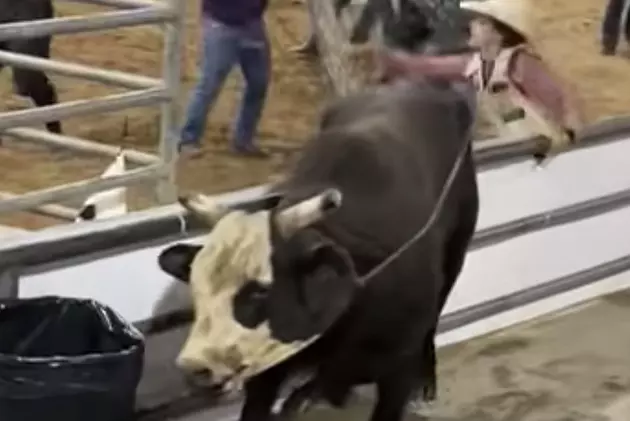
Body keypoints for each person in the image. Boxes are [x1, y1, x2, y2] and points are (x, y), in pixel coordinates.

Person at [378, 0, 584, 162]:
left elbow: (561, 100)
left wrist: (570, 137)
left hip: (542, 150)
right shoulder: (477, 64)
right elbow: (431, 66)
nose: (471, 26)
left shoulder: (520, 63)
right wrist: (392, 62)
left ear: (499, 34)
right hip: (515, 148)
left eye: (482, 22)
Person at [178, 0, 270, 158]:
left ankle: (243, 140)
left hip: (251, 23)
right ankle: (188, 140)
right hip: (221, 23)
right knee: (209, 85)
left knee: (258, 83)